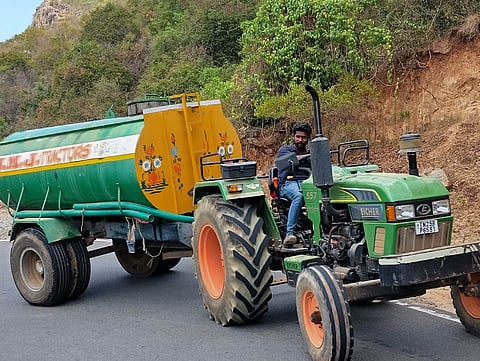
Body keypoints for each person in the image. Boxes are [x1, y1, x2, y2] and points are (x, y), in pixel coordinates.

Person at [277, 121, 312, 246]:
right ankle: (289, 233)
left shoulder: (311, 151)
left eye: (303, 137)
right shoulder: (285, 150)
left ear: (308, 139)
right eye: (298, 137)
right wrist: (309, 156)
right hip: (289, 182)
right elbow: (288, 161)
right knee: (299, 196)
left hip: (308, 181)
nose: (300, 140)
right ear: (293, 137)